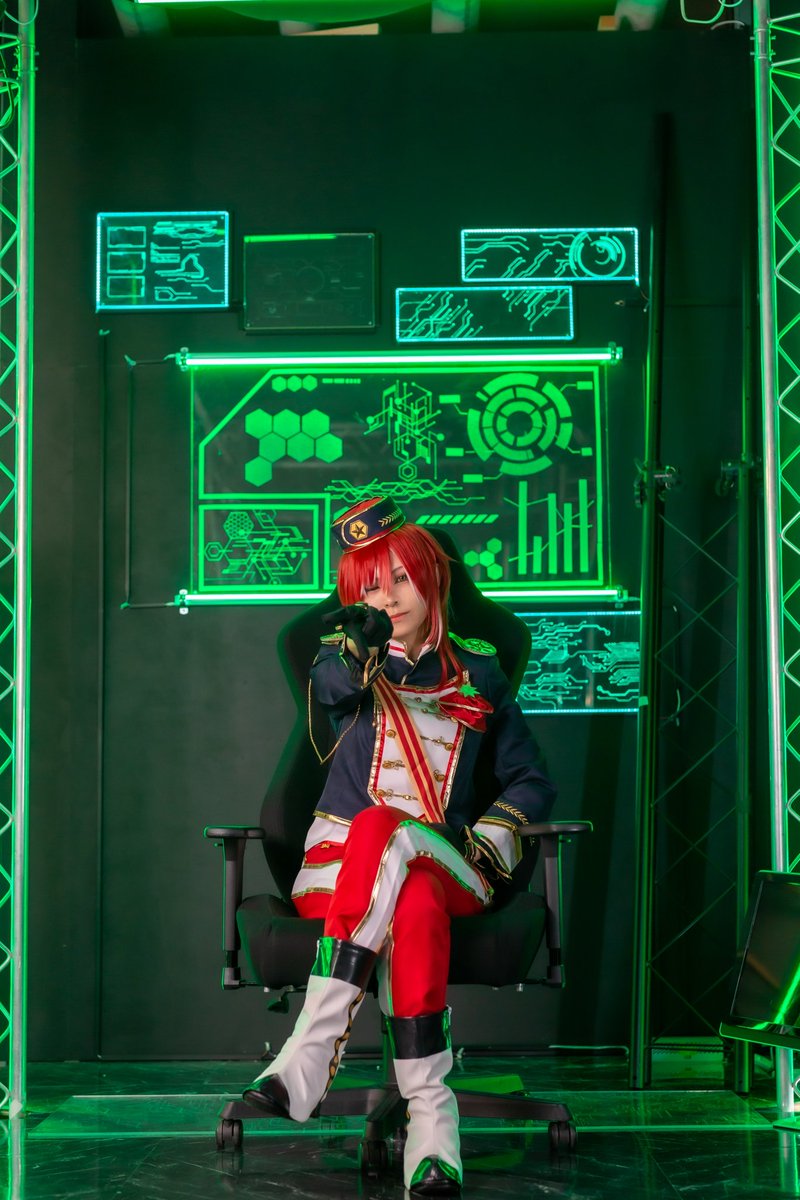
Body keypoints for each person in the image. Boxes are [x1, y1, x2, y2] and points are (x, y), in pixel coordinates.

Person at [242, 496, 556, 1196]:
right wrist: (359, 646)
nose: (388, 598)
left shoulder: (480, 669)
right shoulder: (342, 661)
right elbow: (332, 690)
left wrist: (492, 837)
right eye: (370, 587)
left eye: (401, 579)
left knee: (396, 839)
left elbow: (531, 779)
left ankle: (311, 1049)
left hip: (449, 863)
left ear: (432, 578)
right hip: (338, 874)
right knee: (402, 883)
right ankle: (432, 1124)